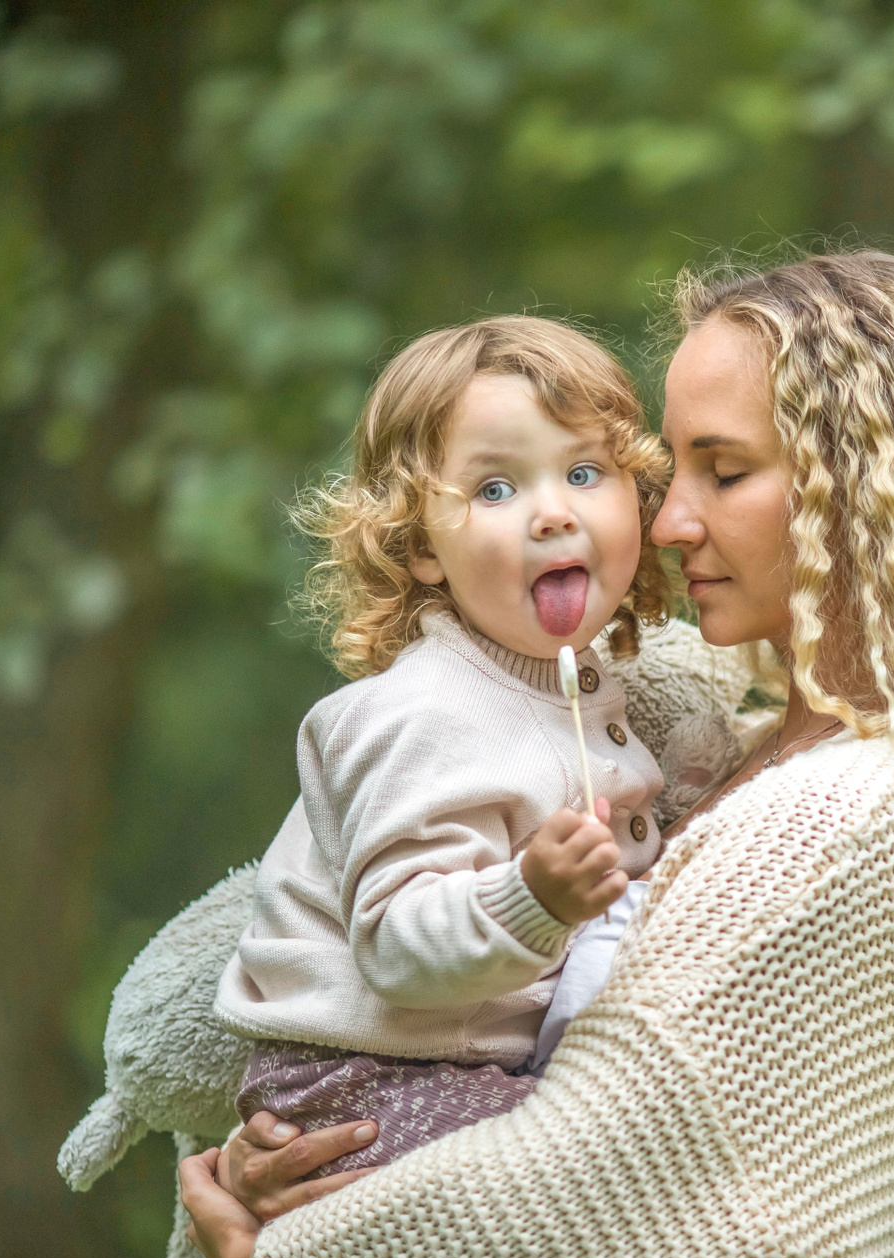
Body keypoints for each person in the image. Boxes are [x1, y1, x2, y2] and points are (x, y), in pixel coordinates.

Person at [179, 250, 894, 1258]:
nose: (668, 520)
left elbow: (586, 1186)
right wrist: (302, 1126)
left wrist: (273, 1252)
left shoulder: (839, 817)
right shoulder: (721, 747)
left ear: (864, 494)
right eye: (667, 472)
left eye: (722, 471)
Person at [215, 315, 688, 1177]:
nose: (553, 513)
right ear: (419, 545)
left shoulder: (577, 686)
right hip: (361, 1075)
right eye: (495, 489)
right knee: (615, 1165)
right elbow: (395, 945)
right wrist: (532, 896)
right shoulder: (420, 712)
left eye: (584, 473)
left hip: (457, 1062)